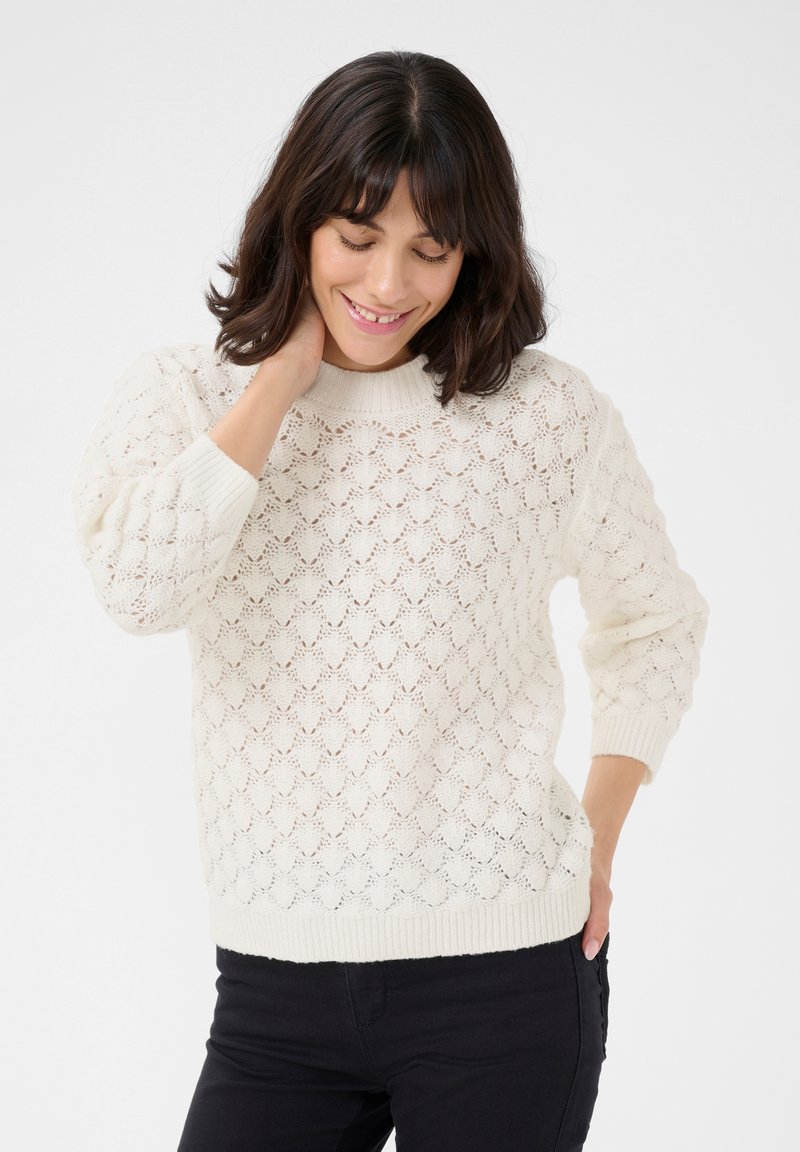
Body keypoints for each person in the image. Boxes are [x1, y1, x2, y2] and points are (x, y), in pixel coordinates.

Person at [70, 49, 710, 1152]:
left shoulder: (546, 420)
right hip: (273, 988)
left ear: (475, 250)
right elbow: (137, 589)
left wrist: (597, 840)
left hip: (503, 976)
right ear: (300, 222)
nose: (386, 285)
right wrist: (279, 380)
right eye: (357, 238)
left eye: (431, 249)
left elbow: (654, 623)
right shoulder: (184, 394)